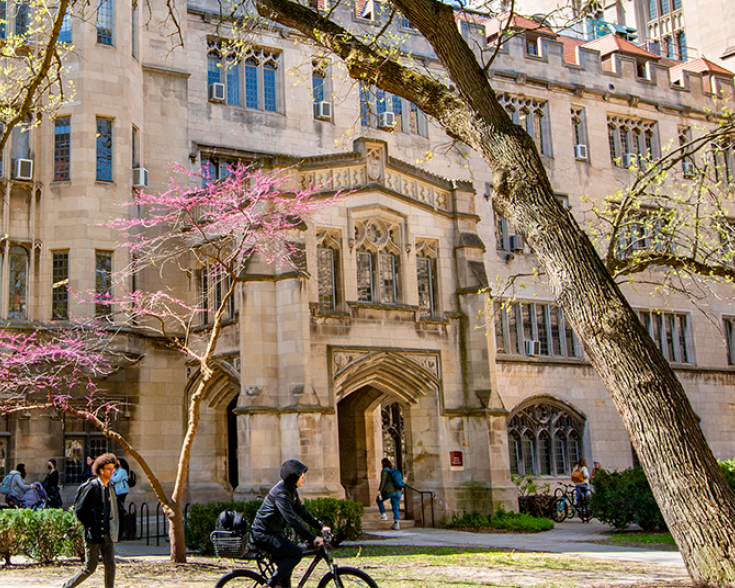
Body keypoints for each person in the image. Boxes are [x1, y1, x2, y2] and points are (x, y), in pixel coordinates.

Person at [250, 460, 331, 588]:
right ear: (293, 477)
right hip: (263, 534)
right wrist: (313, 538)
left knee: (286, 571)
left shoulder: (291, 490)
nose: (304, 477)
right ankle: (269, 585)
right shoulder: (281, 493)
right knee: (295, 553)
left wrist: (320, 526)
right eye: (301, 475)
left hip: (274, 533)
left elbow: (301, 511)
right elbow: (292, 520)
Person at [63, 453, 120, 588]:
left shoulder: (109, 488)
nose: (112, 472)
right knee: (90, 567)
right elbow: (80, 510)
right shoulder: (92, 487)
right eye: (109, 469)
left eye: (113, 469)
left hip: (107, 533)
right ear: (101, 470)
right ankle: (67, 586)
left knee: (110, 565)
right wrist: (91, 526)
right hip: (93, 534)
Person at [376, 458, 402, 530]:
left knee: (378, 499)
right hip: (398, 491)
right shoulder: (393, 471)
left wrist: (380, 490)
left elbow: (383, 481)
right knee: (395, 507)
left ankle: (383, 515)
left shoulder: (385, 471)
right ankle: (397, 524)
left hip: (390, 491)